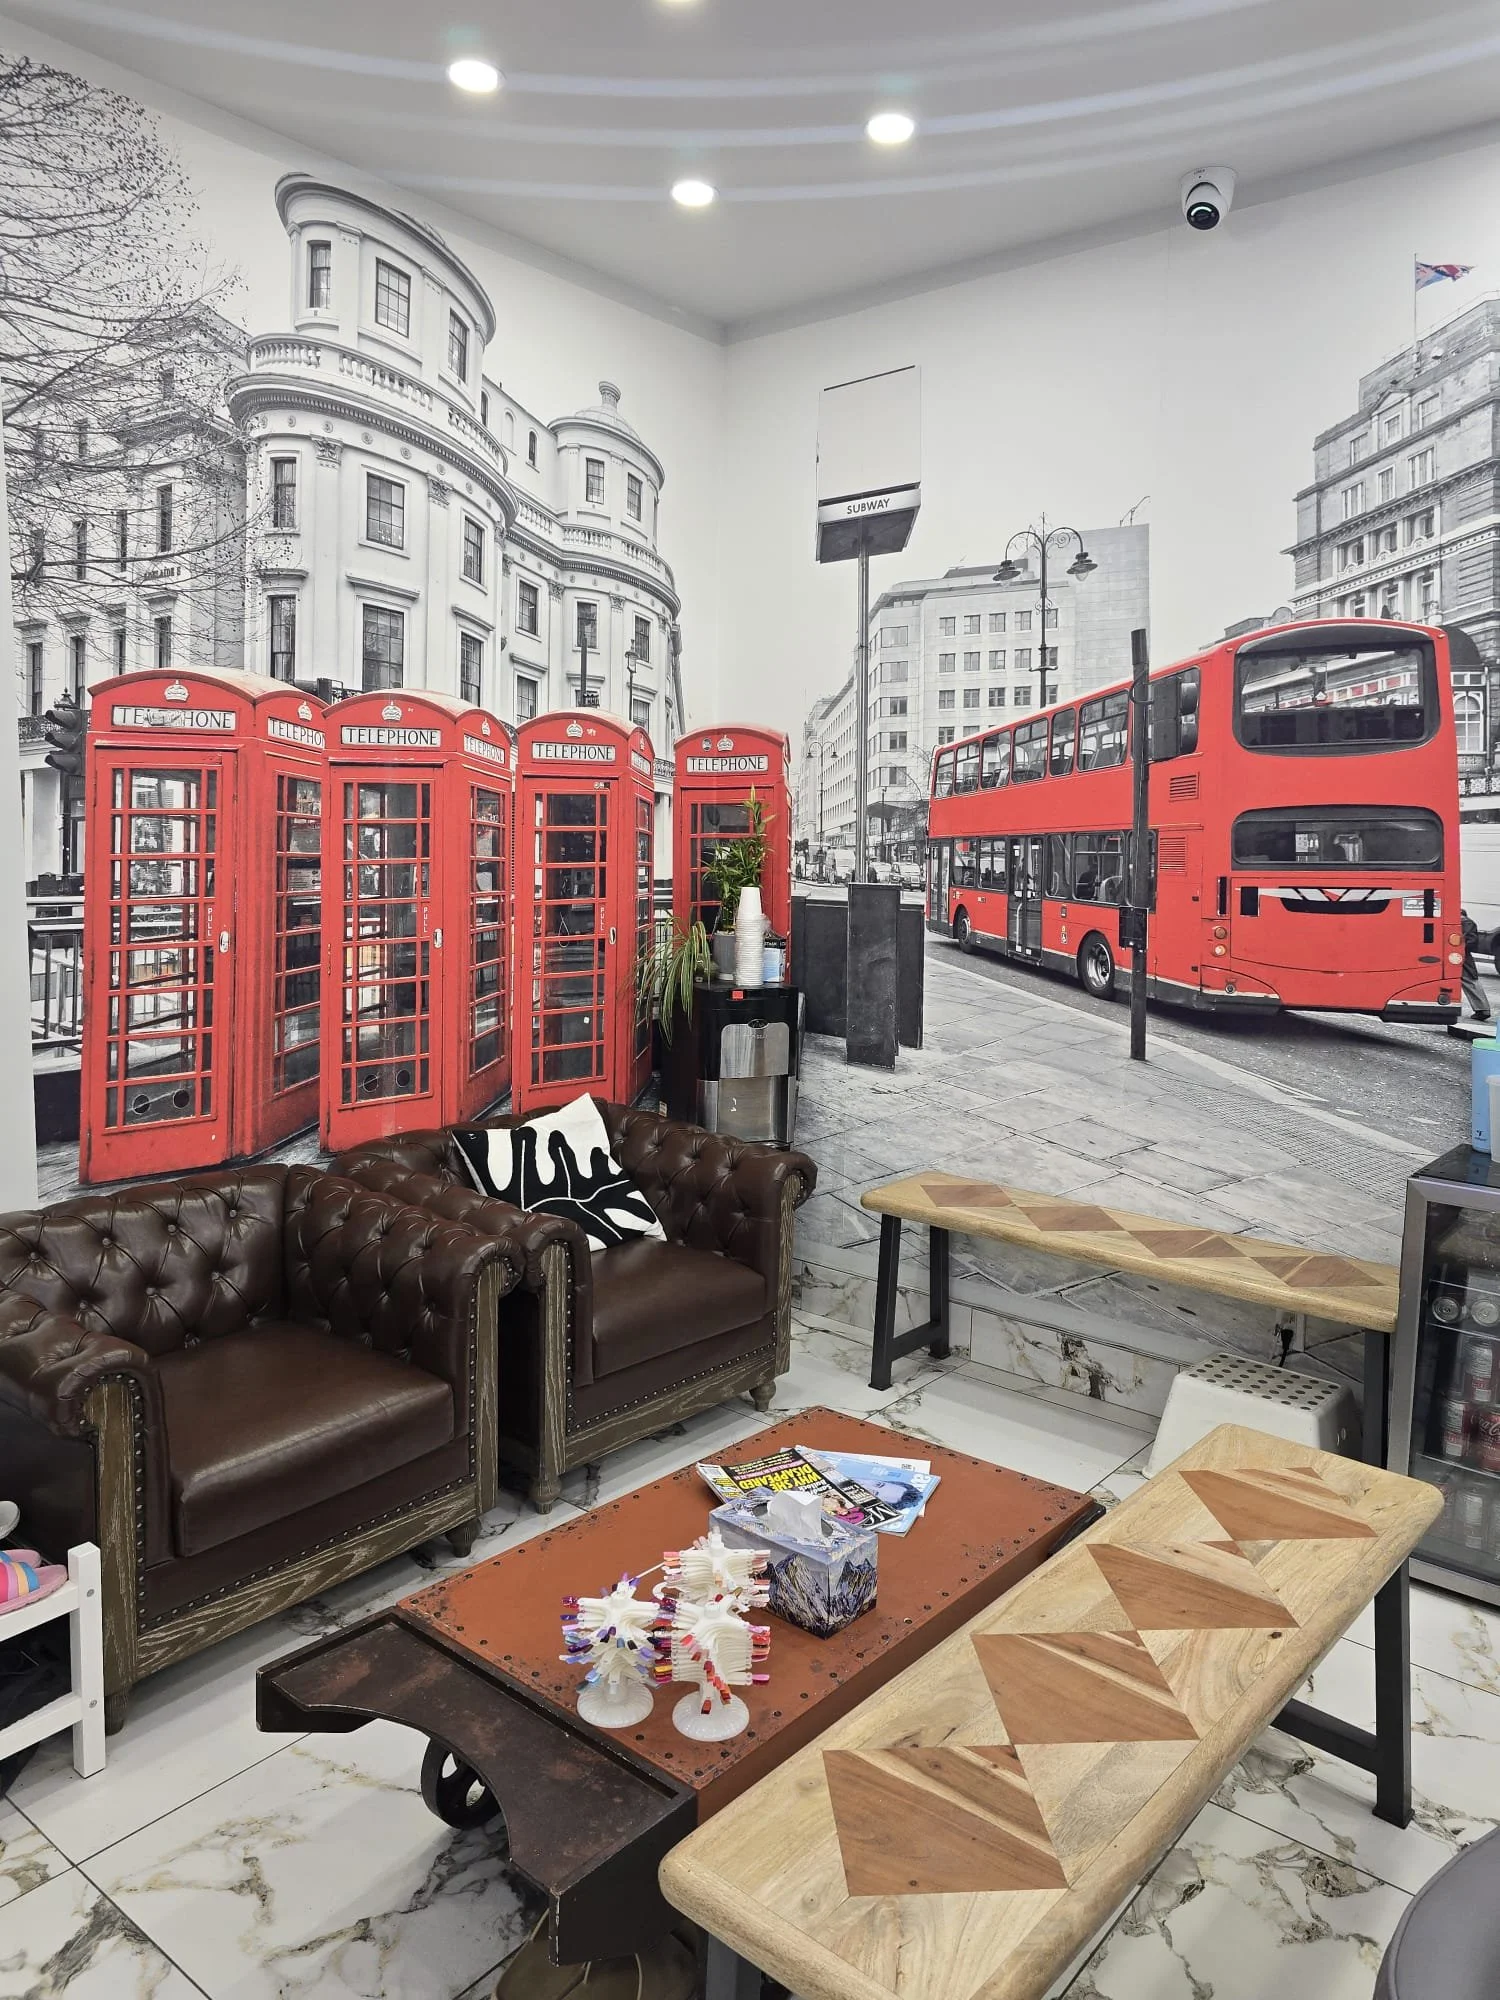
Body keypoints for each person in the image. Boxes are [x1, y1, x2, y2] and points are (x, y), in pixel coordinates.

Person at [1461, 909, 1492, 1022]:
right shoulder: (1466, 922)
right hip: (1460, 955)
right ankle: (1482, 1009)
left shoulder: (1465, 922)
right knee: (1469, 980)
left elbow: (1470, 942)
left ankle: (1483, 1009)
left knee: (1469, 980)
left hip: (1461, 956)